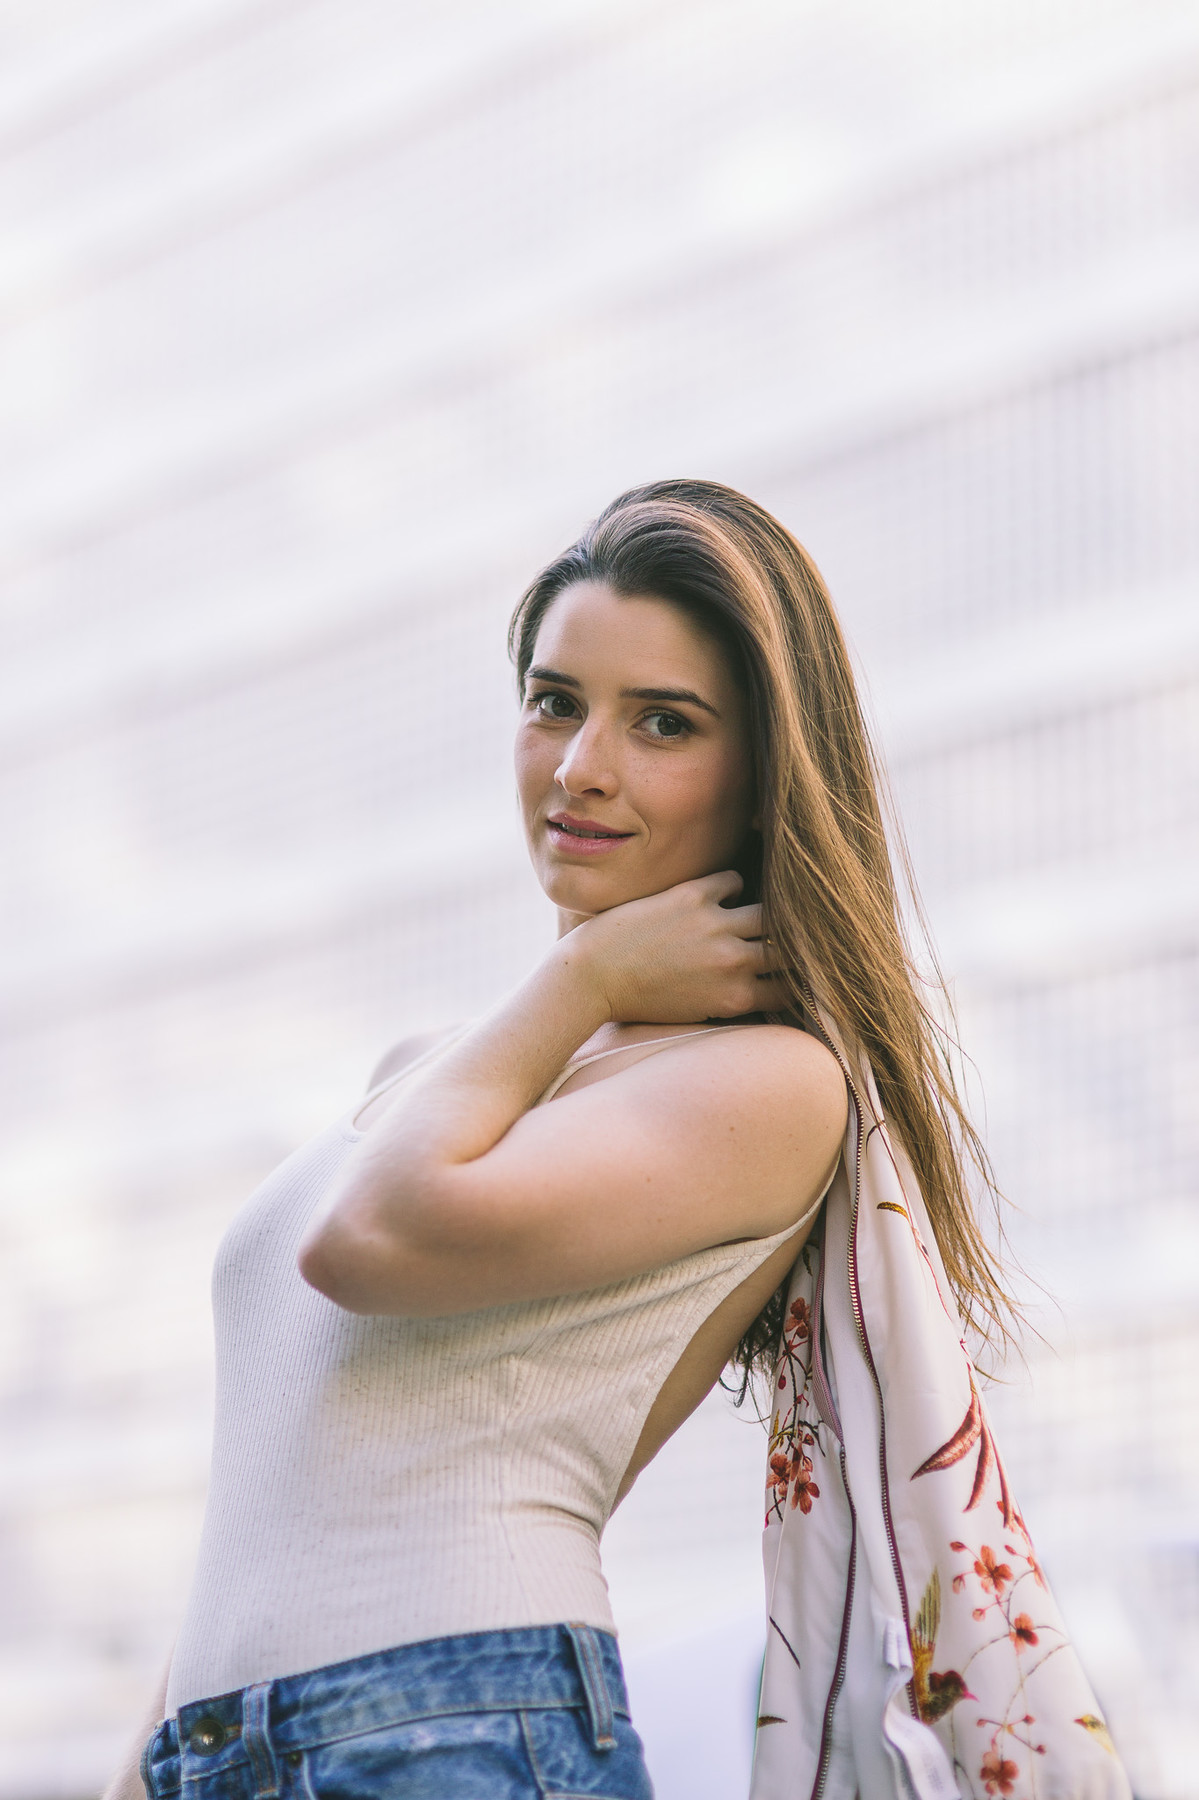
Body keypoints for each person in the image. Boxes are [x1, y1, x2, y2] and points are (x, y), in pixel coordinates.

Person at [104, 479, 1011, 1800]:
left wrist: (582, 981)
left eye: (664, 723)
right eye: (554, 701)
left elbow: (366, 1241)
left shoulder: (773, 1087)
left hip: (455, 1728)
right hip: (219, 1749)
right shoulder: (444, 1075)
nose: (583, 763)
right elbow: (287, 1477)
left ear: (761, 772)